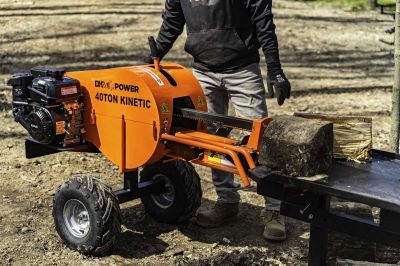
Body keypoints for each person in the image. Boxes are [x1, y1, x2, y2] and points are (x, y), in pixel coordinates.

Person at [148, 0, 291, 241]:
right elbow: (173, 19)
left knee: (261, 139)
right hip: (202, 72)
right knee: (210, 139)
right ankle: (227, 201)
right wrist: (156, 54)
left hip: (243, 69)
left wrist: (275, 69)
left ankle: (274, 210)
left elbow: (263, 20)